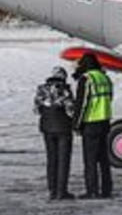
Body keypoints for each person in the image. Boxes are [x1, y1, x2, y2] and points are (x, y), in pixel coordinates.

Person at [73, 52, 114, 199]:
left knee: (90, 160)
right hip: (105, 121)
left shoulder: (87, 79)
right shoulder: (105, 78)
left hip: (90, 123)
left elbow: (82, 104)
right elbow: (110, 97)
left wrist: (76, 124)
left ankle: (92, 190)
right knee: (103, 159)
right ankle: (107, 190)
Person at [34, 67, 76, 200]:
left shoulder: (42, 89)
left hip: (47, 128)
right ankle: (61, 191)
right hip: (63, 128)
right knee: (63, 160)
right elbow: (70, 110)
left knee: (51, 160)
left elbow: (36, 110)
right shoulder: (64, 89)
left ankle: (52, 190)